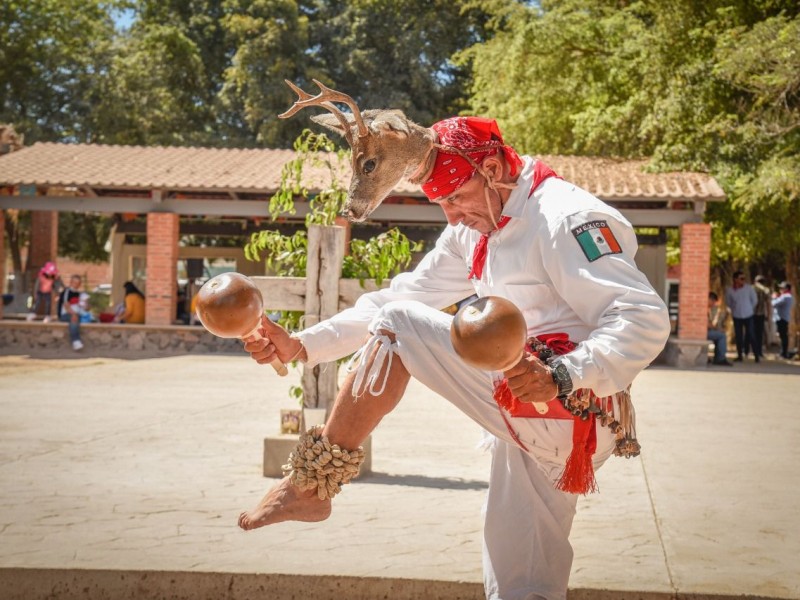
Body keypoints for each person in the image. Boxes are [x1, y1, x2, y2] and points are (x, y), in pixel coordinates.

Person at [240, 116, 671, 600]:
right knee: (521, 583)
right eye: (439, 202)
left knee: (400, 326)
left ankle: (311, 487)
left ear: (491, 167)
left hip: (568, 409)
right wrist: (304, 344)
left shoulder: (565, 217)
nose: (450, 216)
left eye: (455, 198)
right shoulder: (476, 222)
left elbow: (642, 317)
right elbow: (407, 294)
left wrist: (561, 374)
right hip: (538, 419)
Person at [725, 271, 758, 362]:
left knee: (751, 334)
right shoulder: (730, 290)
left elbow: (754, 300)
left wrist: (749, 308)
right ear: (735, 279)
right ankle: (740, 355)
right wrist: (734, 309)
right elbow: (728, 302)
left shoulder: (749, 289)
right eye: (741, 278)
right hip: (737, 315)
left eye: (744, 279)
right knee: (739, 336)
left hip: (748, 315)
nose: (743, 281)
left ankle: (756, 355)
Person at [57, 275, 84, 351]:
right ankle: (76, 341)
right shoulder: (67, 292)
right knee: (74, 319)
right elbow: (66, 305)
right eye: (74, 282)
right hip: (65, 315)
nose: (76, 285)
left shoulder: (79, 294)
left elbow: (84, 307)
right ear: (71, 282)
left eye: (78, 283)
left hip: (77, 314)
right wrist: (73, 314)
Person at [707, 292, 732, 366]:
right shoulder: (704, 308)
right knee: (721, 336)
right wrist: (718, 329)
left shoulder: (709, 309)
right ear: (710, 299)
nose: (714, 304)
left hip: (702, 332)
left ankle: (717, 357)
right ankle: (720, 359)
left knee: (718, 334)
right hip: (700, 333)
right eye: (713, 301)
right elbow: (708, 325)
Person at [772, 281, 794, 359]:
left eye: (782, 288)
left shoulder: (785, 297)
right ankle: (783, 352)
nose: (780, 289)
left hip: (781, 318)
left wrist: (774, 297)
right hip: (783, 318)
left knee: (783, 336)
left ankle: (783, 353)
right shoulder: (788, 296)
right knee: (782, 336)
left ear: (786, 288)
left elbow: (774, 304)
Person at [752, 275, 772, 360]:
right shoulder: (766, 290)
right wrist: (769, 315)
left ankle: (747, 350)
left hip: (751, 314)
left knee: (750, 333)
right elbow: (768, 304)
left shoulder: (751, 288)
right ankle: (759, 352)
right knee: (759, 334)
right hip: (761, 314)